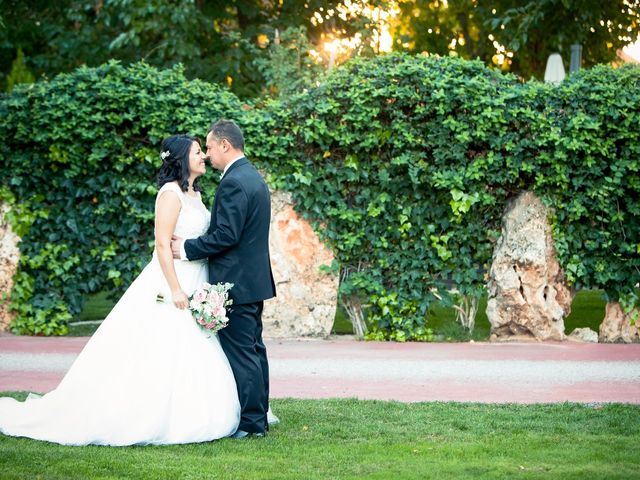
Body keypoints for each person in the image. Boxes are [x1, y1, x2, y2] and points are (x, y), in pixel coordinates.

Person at [0, 135, 240, 445]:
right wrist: (176, 289)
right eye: (197, 152)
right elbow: (161, 246)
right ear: (181, 159)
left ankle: (203, 412)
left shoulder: (193, 193)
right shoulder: (170, 194)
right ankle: (151, 415)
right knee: (163, 347)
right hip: (173, 283)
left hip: (198, 279)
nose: (203, 157)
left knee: (197, 346)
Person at [172, 119, 276, 438]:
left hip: (236, 282)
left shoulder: (233, 182)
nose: (208, 155)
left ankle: (251, 423)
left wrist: (187, 248)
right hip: (252, 281)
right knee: (254, 350)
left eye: (211, 147)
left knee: (244, 353)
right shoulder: (252, 177)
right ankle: (257, 416)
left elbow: (226, 235)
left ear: (226, 145)